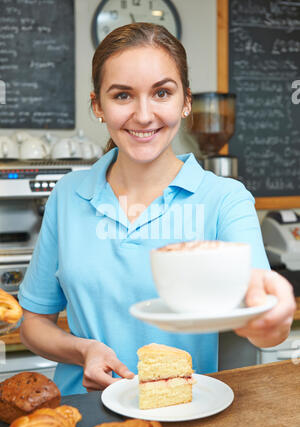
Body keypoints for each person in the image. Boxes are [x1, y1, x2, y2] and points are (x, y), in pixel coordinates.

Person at [19, 23, 296, 396]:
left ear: (185, 102)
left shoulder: (225, 199)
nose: (144, 115)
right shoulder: (68, 195)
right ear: (98, 106)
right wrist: (82, 349)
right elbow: (34, 322)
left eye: (162, 92)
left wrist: (272, 318)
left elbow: (265, 311)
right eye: (122, 96)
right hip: (84, 415)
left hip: (188, 412)